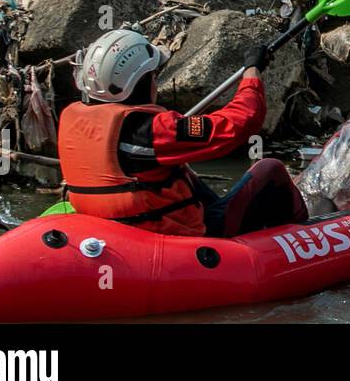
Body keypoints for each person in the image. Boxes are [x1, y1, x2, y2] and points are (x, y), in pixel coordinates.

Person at [58, 28, 308, 237]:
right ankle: (305, 236)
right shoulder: (150, 131)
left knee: (183, 172)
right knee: (270, 169)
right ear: (142, 81)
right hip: (170, 236)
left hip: (113, 229)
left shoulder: (71, 117)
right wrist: (252, 71)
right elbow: (243, 120)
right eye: (154, 75)